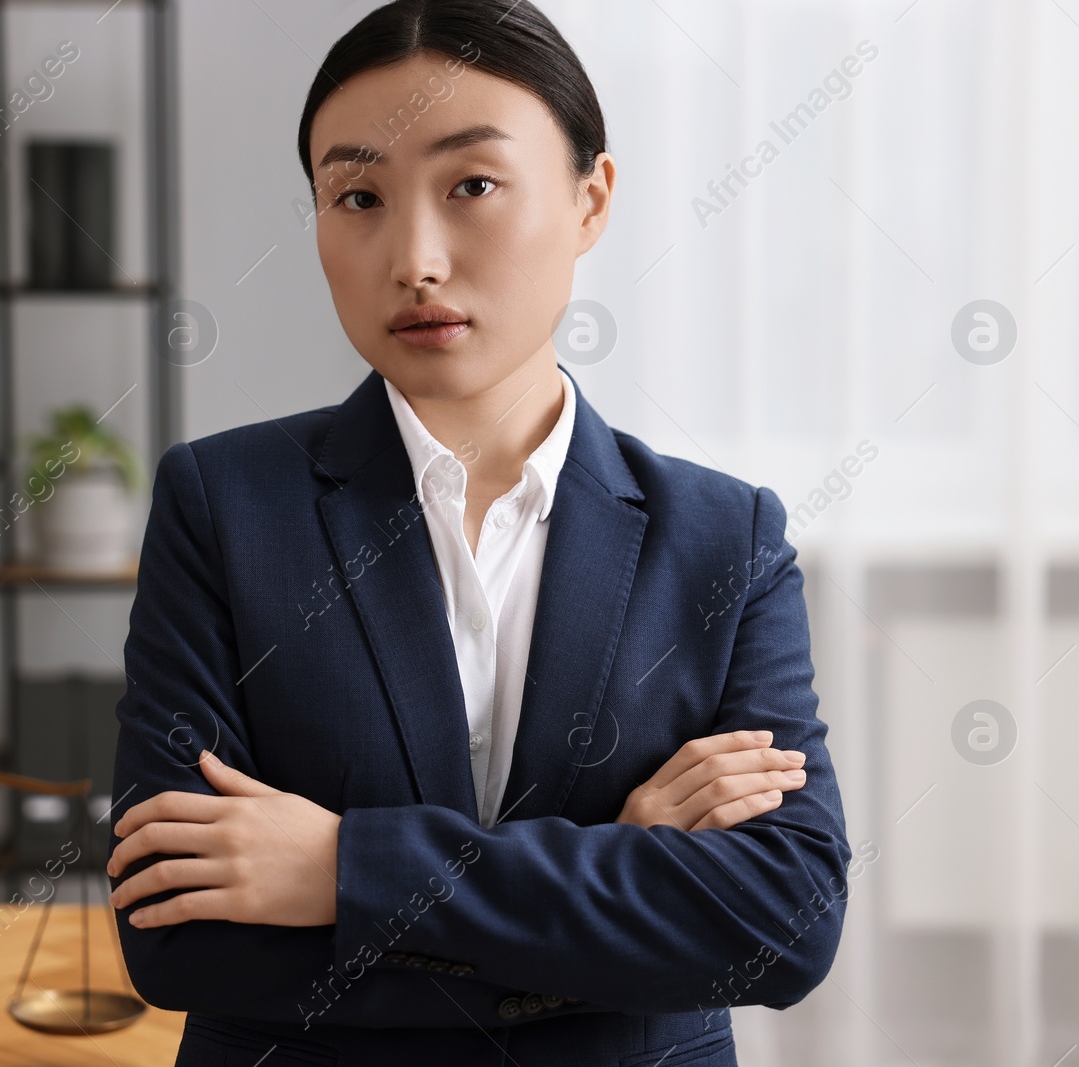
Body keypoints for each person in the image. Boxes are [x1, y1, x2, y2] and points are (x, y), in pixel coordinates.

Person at [105, 2, 851, 1064]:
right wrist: (610, 877)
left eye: (472, 186)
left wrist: (340, 867)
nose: (413, 258)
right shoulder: (223, 504)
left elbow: (783, 921)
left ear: (591, 199)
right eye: (356, 195)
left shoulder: (722, 535)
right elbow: (174, 934)